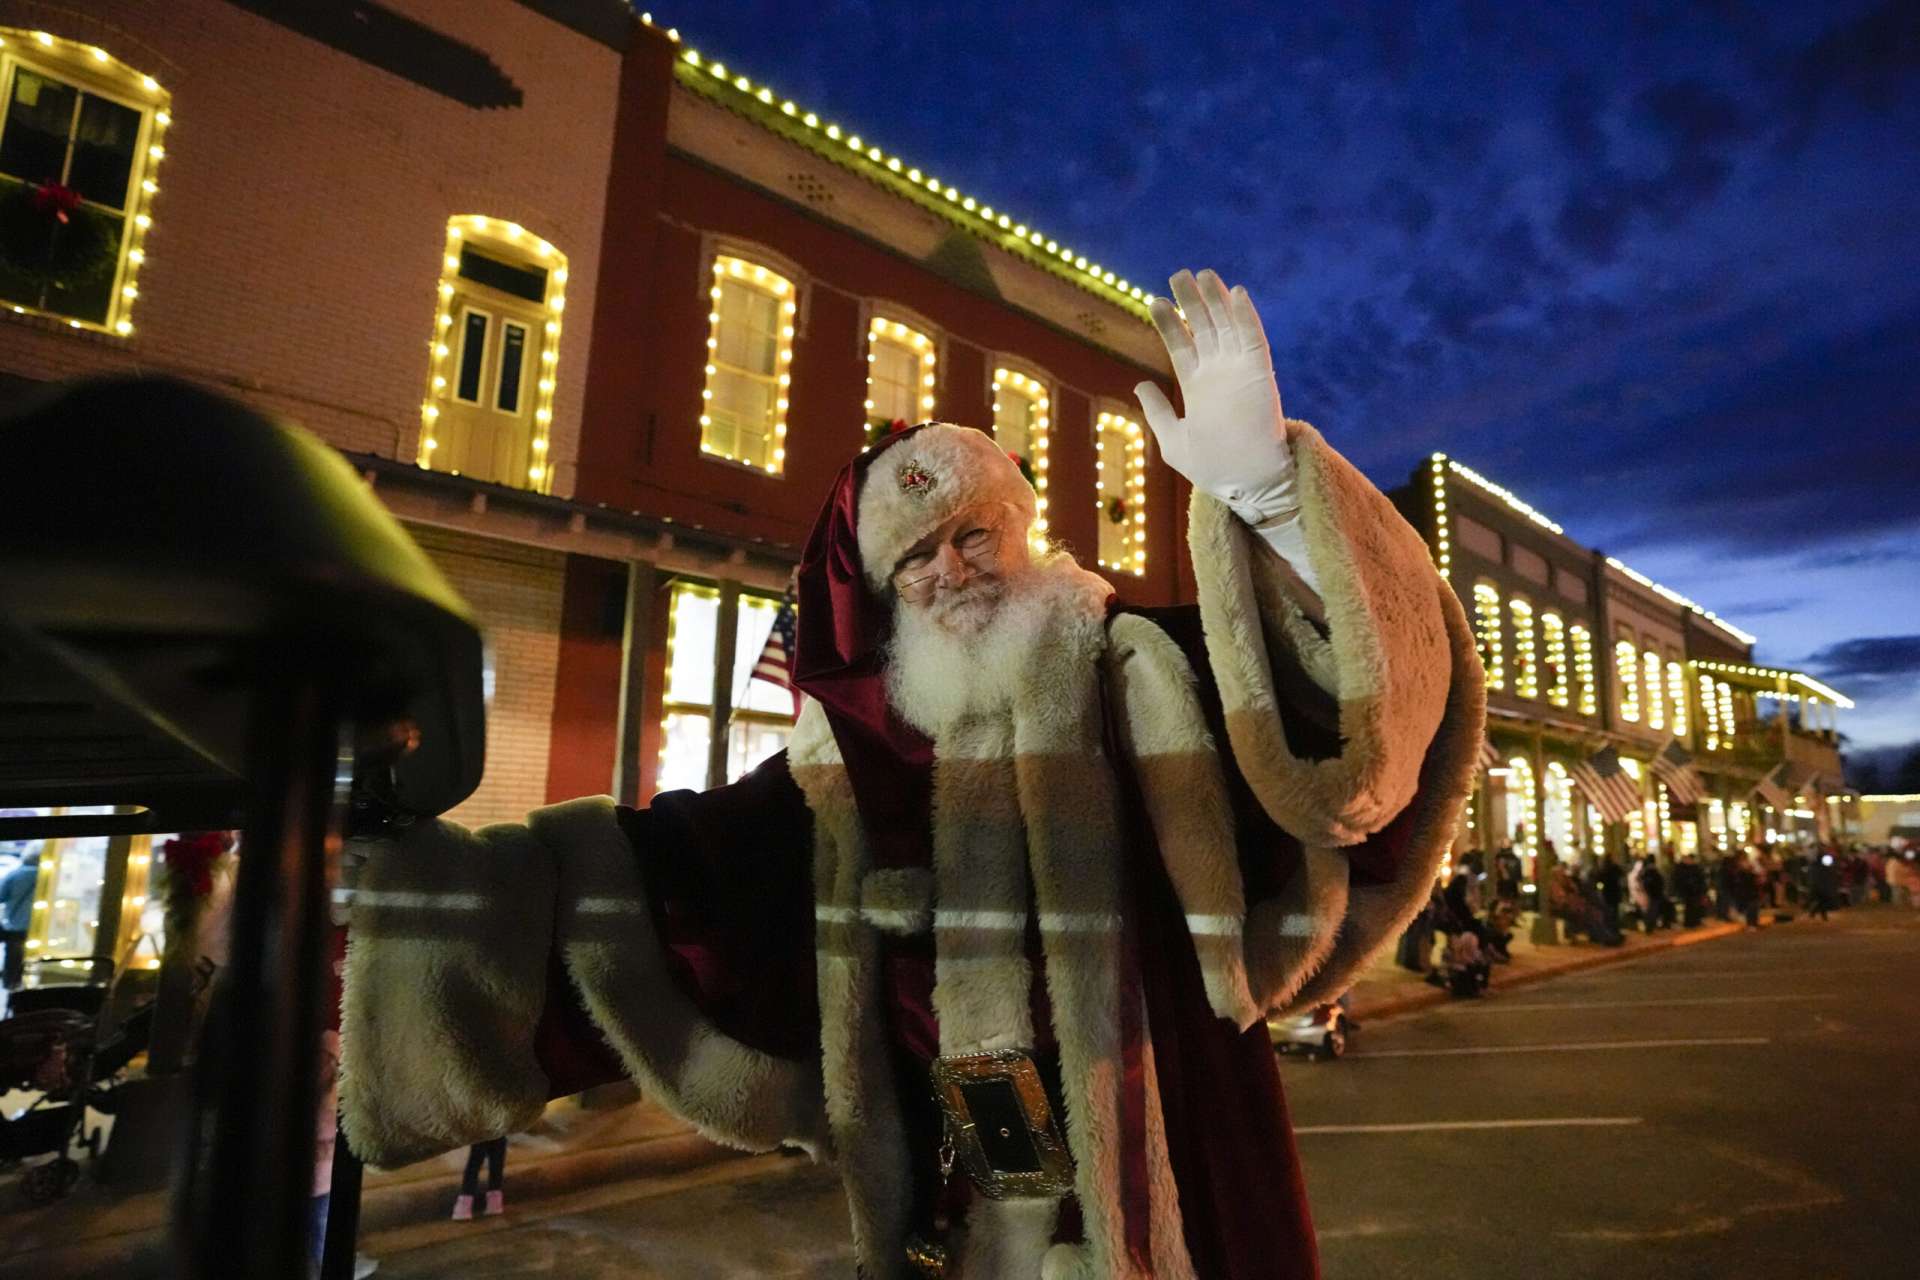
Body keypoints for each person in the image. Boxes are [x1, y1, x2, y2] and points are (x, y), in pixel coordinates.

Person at [339, 269, 1484, 1278]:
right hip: (964, 1215)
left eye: (977, 534)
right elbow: (677, 885)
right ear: (887, 593)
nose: (953, 568)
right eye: (918, 555)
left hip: (1176, 1180)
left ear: (1023, 531)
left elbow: (1332, 710)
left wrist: (1273, 502)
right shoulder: (853, 770)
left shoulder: (1139, 671)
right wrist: (424, 891)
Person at [1, 847, 40, 990]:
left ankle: (11, 986)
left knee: (13, 959)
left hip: (16, 926)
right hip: (40, 927)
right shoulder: (48, 875)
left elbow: (1, 895)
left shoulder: (15, 875)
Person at [452, 1136, 509, 1220]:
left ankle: (464, 1205)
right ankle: (494, 1202)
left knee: (474, 1163)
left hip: (482, 1132)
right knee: (496, 1163)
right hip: (498, 1130)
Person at [1807, 851, 1840, 921]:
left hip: (1819, 887)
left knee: (1822, 901)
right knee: (1823, 901)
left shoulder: (1816, 866)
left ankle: (1815, 913)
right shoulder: (1818, 867)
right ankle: (1818, 914)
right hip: (1820, 887)